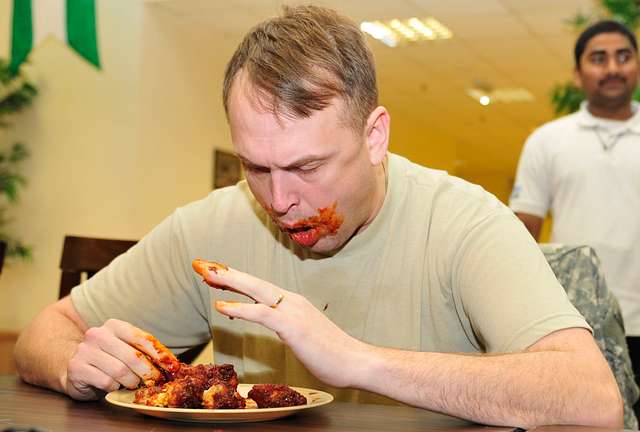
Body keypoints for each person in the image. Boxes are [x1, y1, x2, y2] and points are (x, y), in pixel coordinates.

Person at [15, 6, 622, 428]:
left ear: (375, 135)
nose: (279, 200)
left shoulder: (463, 223)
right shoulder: (209, 226)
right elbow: (47, 330)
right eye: (256, 167)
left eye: (308, 166)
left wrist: (357, 359)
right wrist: (73, 363)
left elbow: (593, 400)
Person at [509, 19, 640, 409]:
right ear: (578, 73)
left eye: (624, 56)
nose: (613, 68)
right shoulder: (547, 141)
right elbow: (519, 239)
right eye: (599, 58)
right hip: (576, 326)